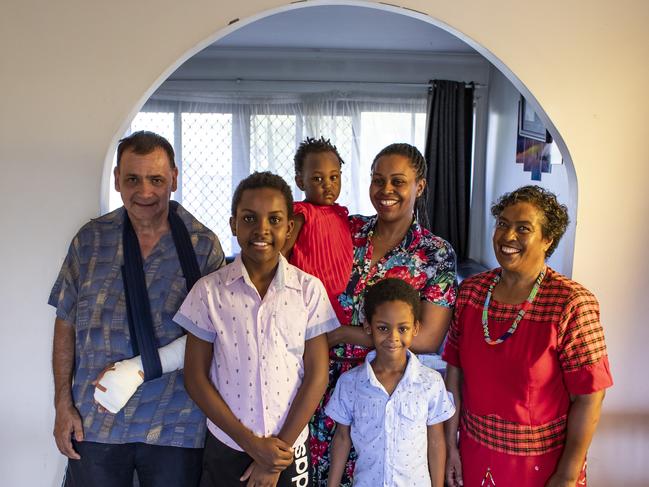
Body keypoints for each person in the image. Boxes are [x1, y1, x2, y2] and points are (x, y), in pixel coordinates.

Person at [49, 131, 225, 486]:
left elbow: (220, 335)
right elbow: (65, 324)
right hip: (95, 420)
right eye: (132, 179)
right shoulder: (90, 240)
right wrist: (62, 405)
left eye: (156, 180)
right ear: (116, 179)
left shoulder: (202, 246)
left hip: (175, 423)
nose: (144, 192)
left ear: (174, 178)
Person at [176, 171, 339, 487]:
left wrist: (275, 457)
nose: (262, 229)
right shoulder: (208, 292)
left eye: (275, 219)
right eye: (249, 218)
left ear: (289, 228)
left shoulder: (308, 290)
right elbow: (195, 378)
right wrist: (252, 445)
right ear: (234, 224)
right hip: (228, 444)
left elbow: (317, 375)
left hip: (288, 448)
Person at [443, 186, 613, 487]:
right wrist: (450, 446)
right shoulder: (471, 293)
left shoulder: (571, 303)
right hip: (474, 453)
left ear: (548, 239)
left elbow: (590, 396)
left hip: (541, 466)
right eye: (503, 224)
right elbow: (454, 374)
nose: (508, 236)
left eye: (523, 229)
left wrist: (567, 474)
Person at [310, 143, 458, 486]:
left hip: (386, 391)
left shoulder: (434, 253)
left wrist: (346, 334)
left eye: (398, 182)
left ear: (419, 186)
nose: (386, 191)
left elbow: (427, 338)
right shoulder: (347, 230)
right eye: (378, 181)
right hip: (322, 384)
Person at [326, 278, 455, 487]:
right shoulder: (350, 383)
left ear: (415, 328)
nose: (393, 337)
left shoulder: (430, 383)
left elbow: (436, 441)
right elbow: (342, 438)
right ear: (368, 327)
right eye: (383, 328)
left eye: (402, 328)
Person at [282, 136, 353, 324]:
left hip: (334, 300)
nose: (328, 185)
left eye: (334, 177)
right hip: (303, 298)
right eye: (317, 178)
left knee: (328, 346)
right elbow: (281, 255)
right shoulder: (301, 214)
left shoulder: (341, 214)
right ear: (300, 181)